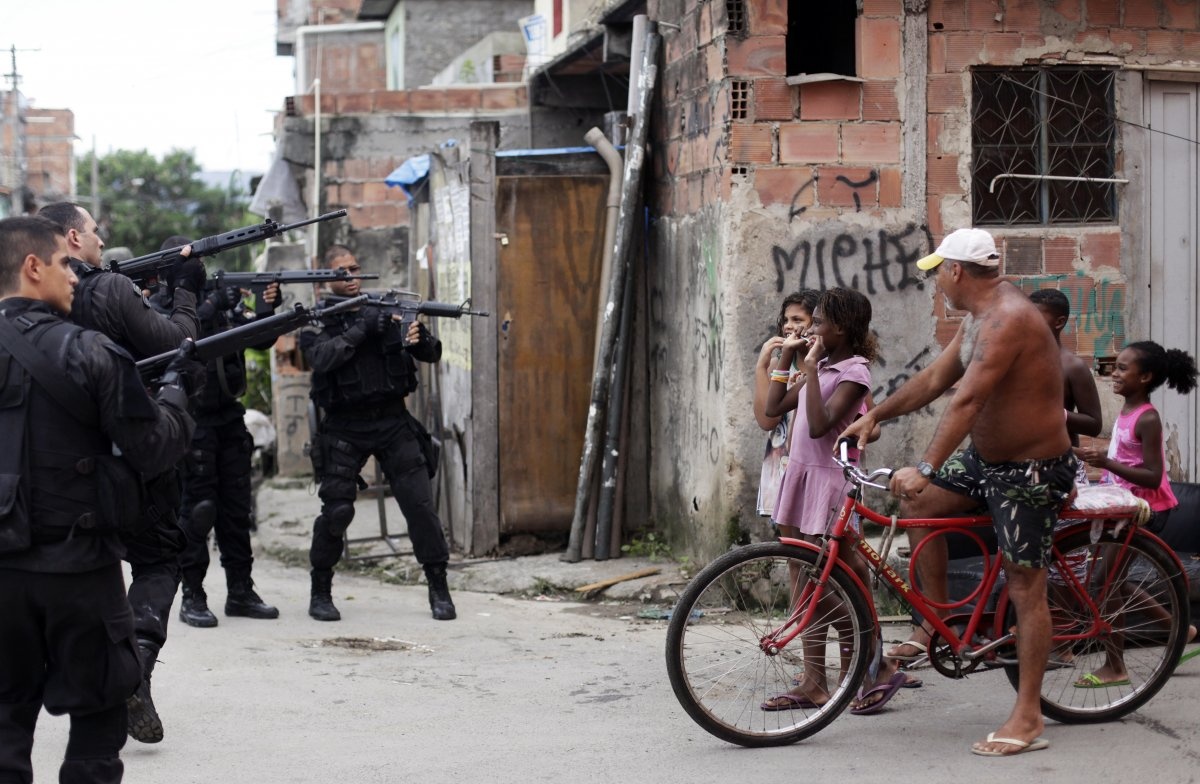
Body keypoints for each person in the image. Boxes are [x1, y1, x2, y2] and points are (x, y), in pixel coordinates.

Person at [841, 227, 1077, 757]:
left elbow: (966, 401)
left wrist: (925, 464)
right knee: (919, 502)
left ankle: (1029, 715)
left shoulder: (1009, 319)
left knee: (1025, 585)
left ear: (956, 272)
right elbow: (932, 380)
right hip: (987, 461)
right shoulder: (977, 319)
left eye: (938, 274)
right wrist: (875, 413)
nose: (937, 285)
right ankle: (941, 622)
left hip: (1031, 471)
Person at [0, 216, 195, 783]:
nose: (76, 277)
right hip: (78, 571)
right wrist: (178, 394)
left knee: (6, 721)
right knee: (96, 724)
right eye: (66, 263)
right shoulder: (89, 350)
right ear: (33, 267)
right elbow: (153, 449)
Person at [758, 288, 906, 713]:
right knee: (807, 583)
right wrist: (787, 358)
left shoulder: (854, 372)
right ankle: (814, 681)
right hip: (798, 476)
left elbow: (822, 425)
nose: (811, 330)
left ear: (839, 329)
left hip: (828, 483)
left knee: (832, 583)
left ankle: (865, 665)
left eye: (818, 322)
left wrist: (806, 367)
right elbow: (773, 408)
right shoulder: (818, 366)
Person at [300, 245, 455, 622]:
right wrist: (360, 330)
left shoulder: (387, 309)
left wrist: (417, 337)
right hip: (344, 427)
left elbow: (432, 353)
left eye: (356, 268)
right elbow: (320, 358)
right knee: (337, 511)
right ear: (325, 279)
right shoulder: (315, 321)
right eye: (342, 272)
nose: (352, 277)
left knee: (420, 507)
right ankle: (320, 590)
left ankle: (439, 588)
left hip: (392, 421)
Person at [162, 235, 281, 628]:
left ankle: (241, 591)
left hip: (229, 418)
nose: (199, 269)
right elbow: (178, 341)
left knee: (235, 508)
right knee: (197, 511)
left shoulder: (220, 297)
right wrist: (211, 305)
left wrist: (267, 306)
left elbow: (260, 339)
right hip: (191, 423)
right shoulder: (164, 306)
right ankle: (192, 595)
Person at [1073, 340, 1199, 686]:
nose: (1114, 373)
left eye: (1123, 368)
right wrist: (1093, 463)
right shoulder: (1128, 412)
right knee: (1111, 580)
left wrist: (1106, 462)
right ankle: (1180, 628)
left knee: (1107, 584)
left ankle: (1116, 667)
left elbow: (1154, 475)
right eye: (1116, 366)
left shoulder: (1148, 418)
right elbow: (1124, 464)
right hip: (1124, 506)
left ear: (1145, 377)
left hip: (1145, 511)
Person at [753, 290, 818, 519]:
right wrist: (761, 368)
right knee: (792, 547)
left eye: (798, 320)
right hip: (782, 461)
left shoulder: (829, 365)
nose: (789, 326)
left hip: (818, 463)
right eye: (786, 320)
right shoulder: (776, 367)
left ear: (817, 323)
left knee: (820, 545)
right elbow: (767, 420)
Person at [1029, 288, 1102, 481]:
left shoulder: (1073, 367)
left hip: (1060, 466)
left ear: (1059, 322)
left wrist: (1054, 412)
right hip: (1020, 465)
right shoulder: (1018, 360)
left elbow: (1094, 425)